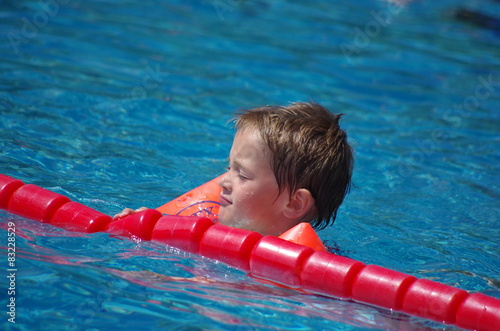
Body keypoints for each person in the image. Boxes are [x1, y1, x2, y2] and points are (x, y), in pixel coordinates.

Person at [114, 102, 353, 236]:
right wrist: (151, 225)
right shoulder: (209, 226)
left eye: (243, 174)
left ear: (294, 203)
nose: (223, 182)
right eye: (229, 168)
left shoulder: (301, 272)